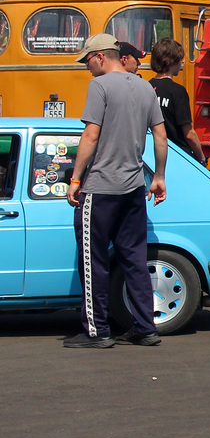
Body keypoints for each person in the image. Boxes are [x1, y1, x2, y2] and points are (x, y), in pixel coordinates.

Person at [64, 33, 168, 348]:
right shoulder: (144, 86)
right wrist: (159, 176)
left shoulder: (99, 86)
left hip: (100, 187)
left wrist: (75, 179)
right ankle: (145, 327)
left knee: (93, 259)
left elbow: (91, 136)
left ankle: (97, 331)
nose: (86, 68)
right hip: (134, 188)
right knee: (134, 259)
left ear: (100, 57)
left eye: (87, 61)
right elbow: (160, 136)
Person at [148, 38, 205, 163]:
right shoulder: (177, 91)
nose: (181, 63)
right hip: (177, 154)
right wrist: (201, 157)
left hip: (151, 153)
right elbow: (189, 134)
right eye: (179, 59)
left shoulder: (146, 87)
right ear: (172, 61)